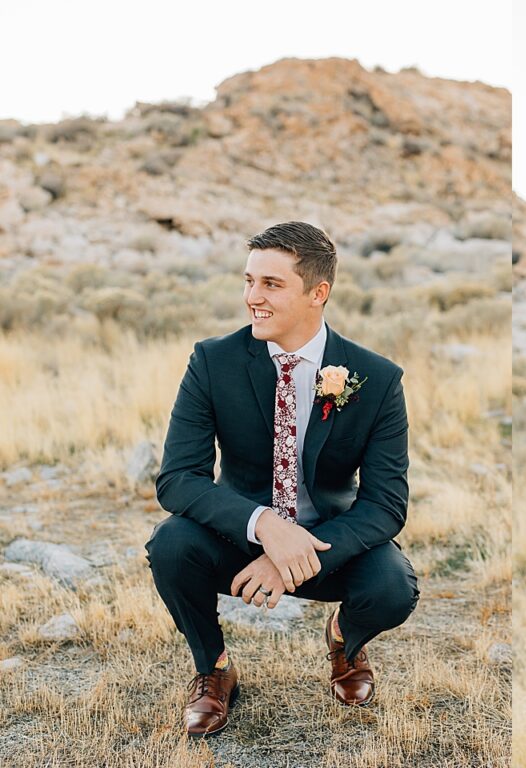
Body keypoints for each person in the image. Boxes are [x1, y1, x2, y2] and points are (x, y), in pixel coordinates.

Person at [145, 221, 419, 738]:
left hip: (329, 543)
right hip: (238, 539)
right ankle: (214, 667)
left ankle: (344, 639)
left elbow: (386, 505)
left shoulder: (378, 379)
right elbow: (178, 479)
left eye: (271, 284)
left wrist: (295, 552)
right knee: (170, 545)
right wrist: (264, 526)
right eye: (249, 281)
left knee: (393, 587)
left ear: (319, 293)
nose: (253, 297)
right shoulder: (212, 362)